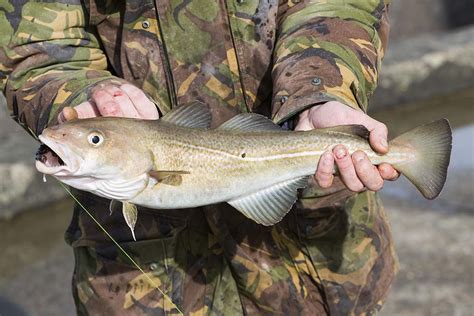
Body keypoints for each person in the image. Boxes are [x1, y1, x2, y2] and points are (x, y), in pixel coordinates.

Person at [0, 0, 399, 314]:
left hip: (314, 263)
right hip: (139, 284)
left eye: (95, 142)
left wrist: (319, 88)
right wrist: (77, 98)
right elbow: (35, 50)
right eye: (96, 142)